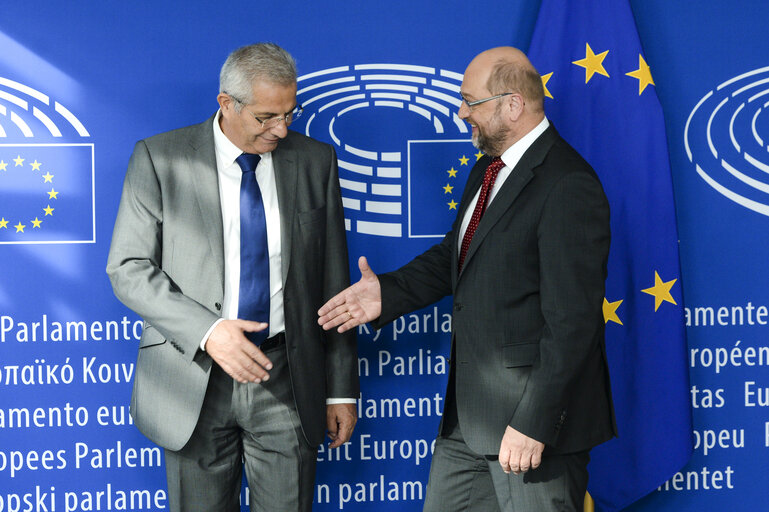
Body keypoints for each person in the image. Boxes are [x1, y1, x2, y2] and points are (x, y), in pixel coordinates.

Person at [318, 46, 616, 512]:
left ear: (512, 105)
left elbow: (573, 324)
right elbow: (455, 257)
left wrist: (533, 423)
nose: (461, 113)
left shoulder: (567, 184)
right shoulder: (487, 168)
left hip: (531, 428)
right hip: (468, 421)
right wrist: (387, 294)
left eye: (470, 102)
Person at [107, 43, 358, 512]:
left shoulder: (314, 161)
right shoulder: (161, 159)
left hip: (286, 375)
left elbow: (333, 282)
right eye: (266, 117)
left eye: (289, 113)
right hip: (192, 379)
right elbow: (128, 269)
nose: (281, 129)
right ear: (227, 104)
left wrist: (341, 388)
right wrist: (209, 332)